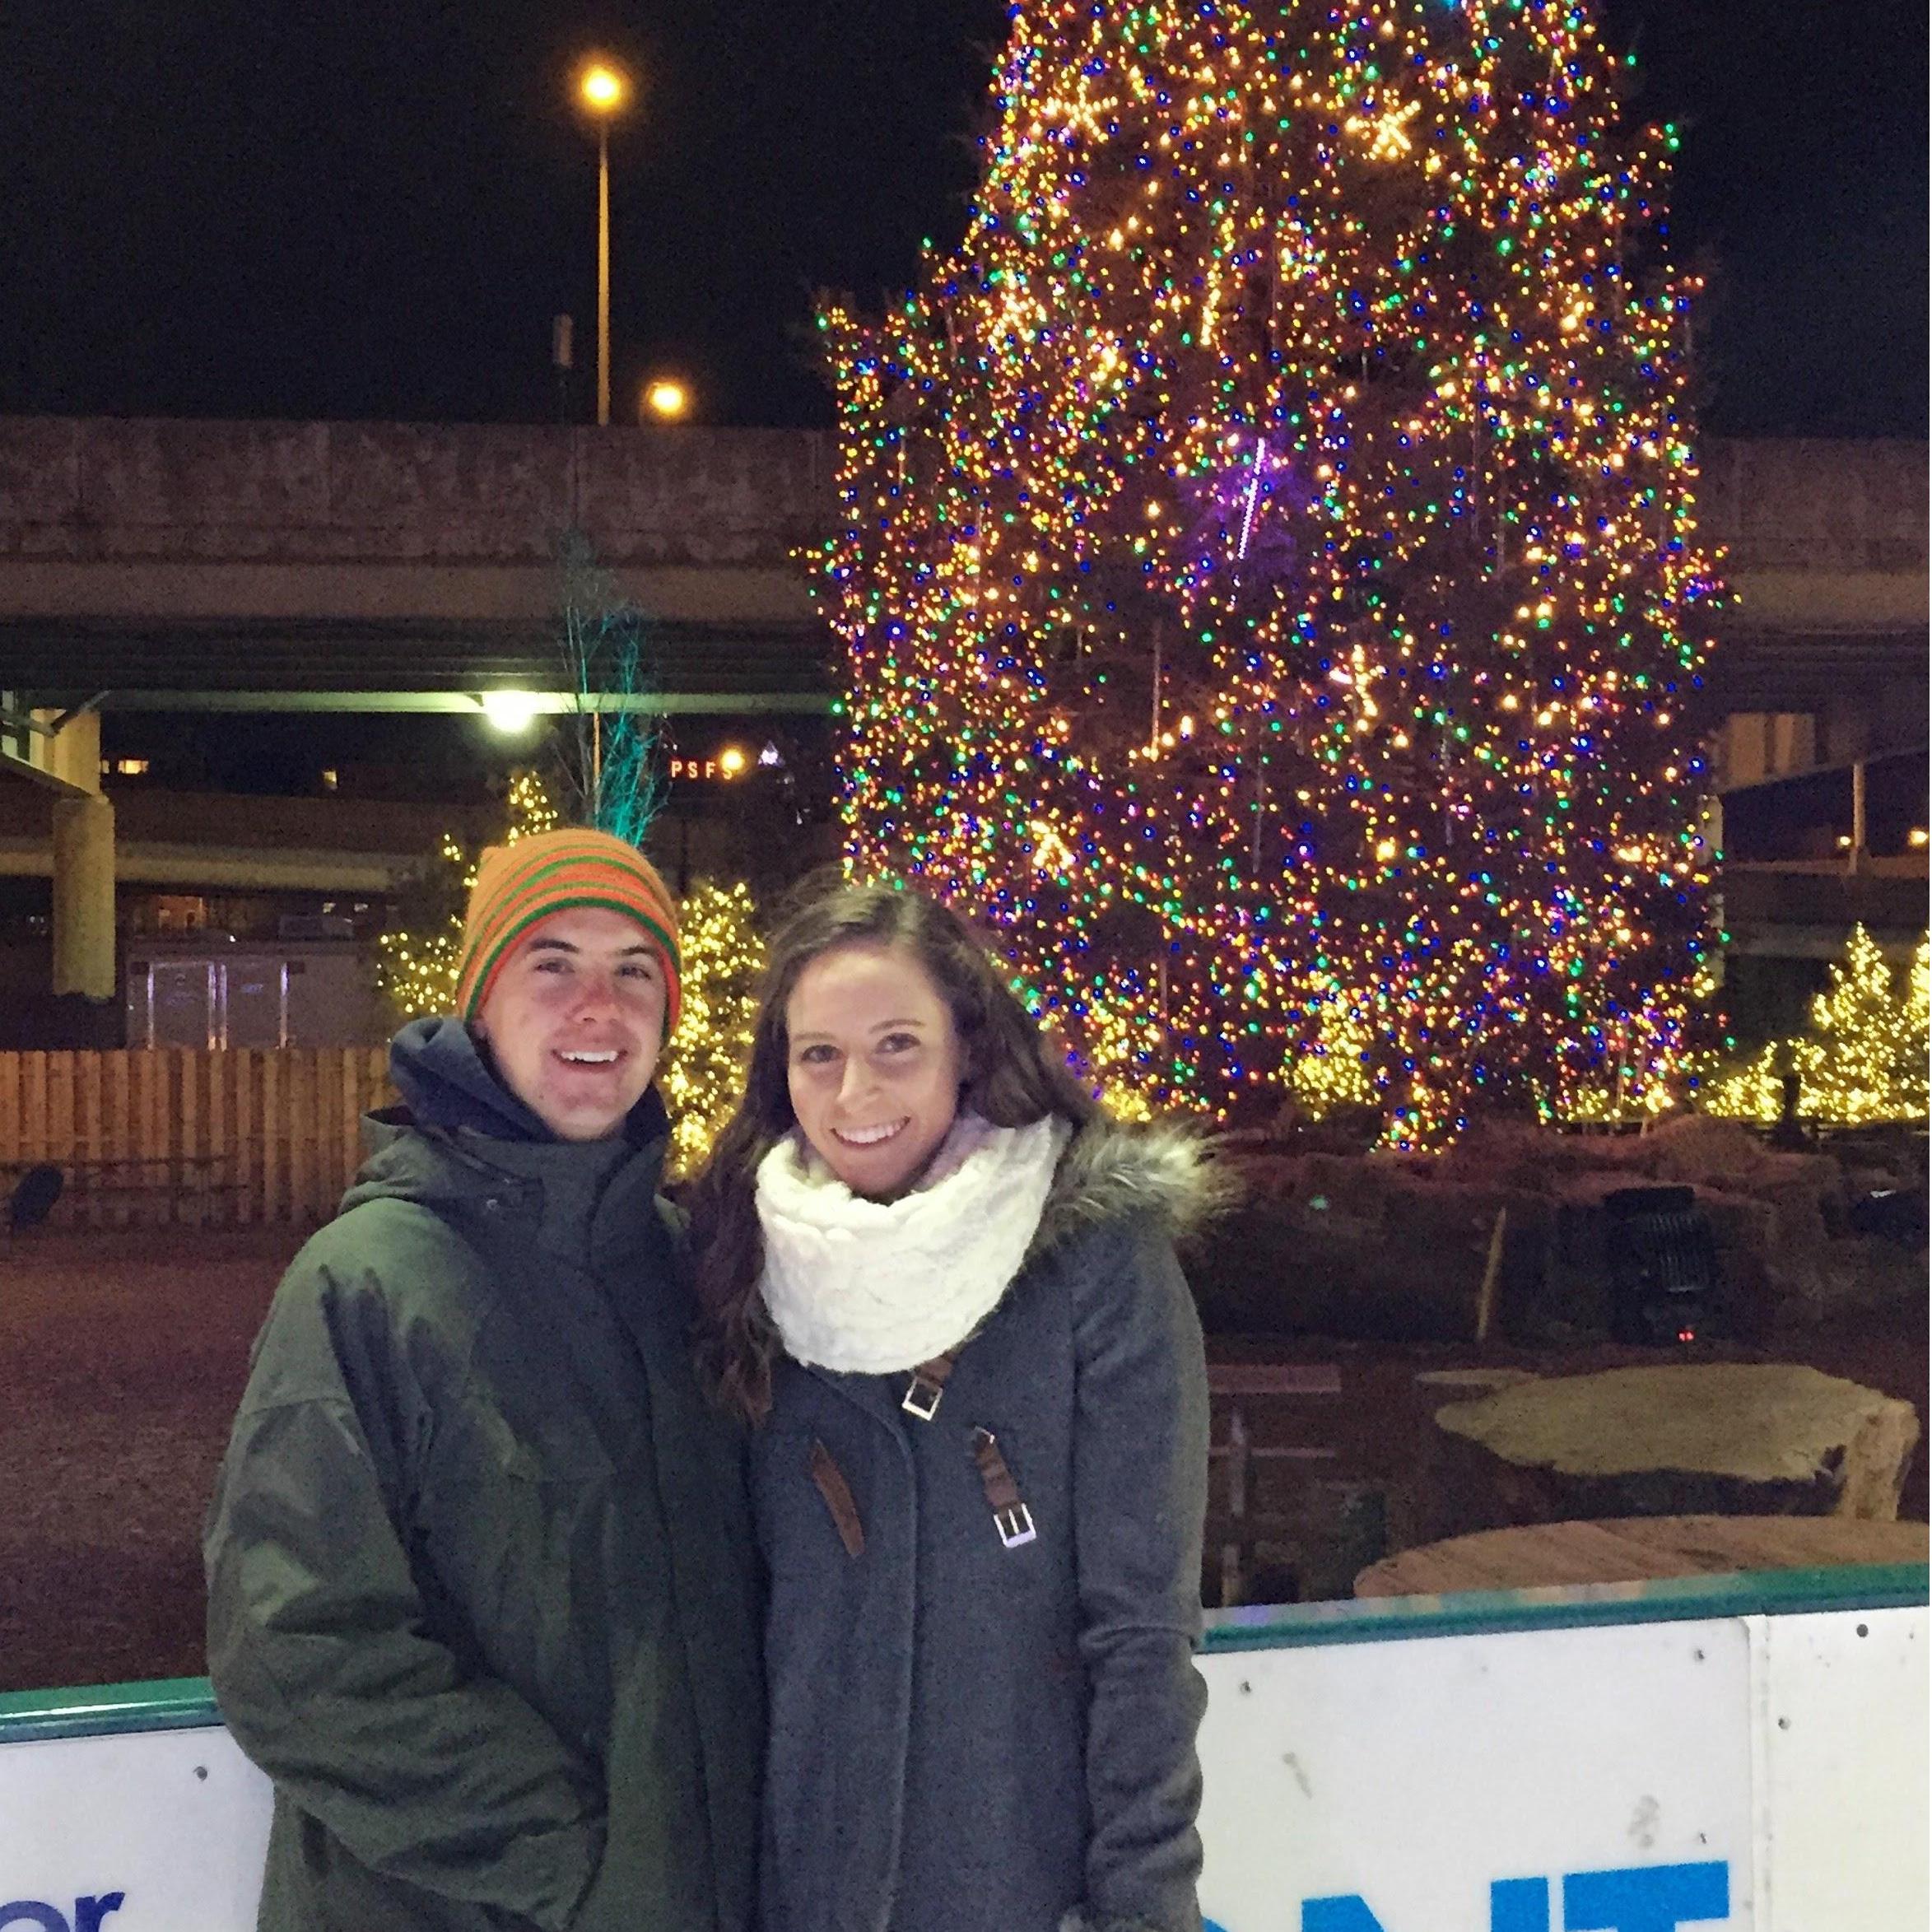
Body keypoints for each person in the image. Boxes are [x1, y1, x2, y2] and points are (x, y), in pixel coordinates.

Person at [204, 826, 762, 1932]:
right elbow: (297, 1647)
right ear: (480, 1001)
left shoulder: (694, 1273)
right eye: (551, 964)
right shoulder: (367, 1284)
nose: (596, 1007)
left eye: (634, 971)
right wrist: (585, 1867)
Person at [689, 881, 1222, 1932]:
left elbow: (1141, 1634)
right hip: (804, 1894)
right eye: (818, 1055)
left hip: (1021, 1889)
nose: (855, 1092)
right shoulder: (739, 1266)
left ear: (966, 1047)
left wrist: (1142, 1910)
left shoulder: (1091, 1260)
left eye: (896, 1044)